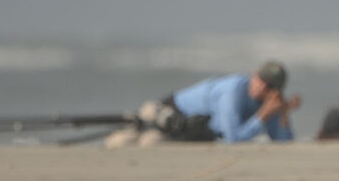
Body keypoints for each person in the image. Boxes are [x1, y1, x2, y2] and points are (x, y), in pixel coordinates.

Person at [106, 60, 301, 147]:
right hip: (168, 114)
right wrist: (263, 116)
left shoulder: (268, 104)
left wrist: (282, 112)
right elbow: (233, 139)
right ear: (254, 75)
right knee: (128, 143)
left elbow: (282, 141)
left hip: (190, 133)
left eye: (270, 87)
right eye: (261, 80)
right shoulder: (232, 92)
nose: (262, 88)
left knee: (152, 145)